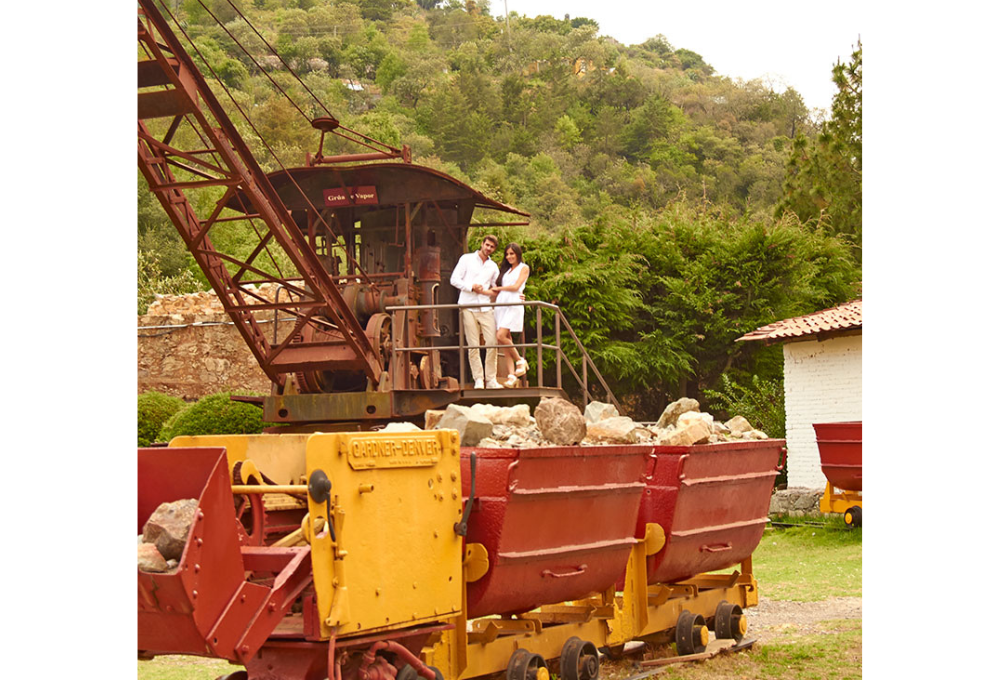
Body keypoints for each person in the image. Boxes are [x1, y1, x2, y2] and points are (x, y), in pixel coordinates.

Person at [450, 235, 502, 389]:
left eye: (492, 247)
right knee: (473, 345)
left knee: (492, 342)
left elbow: (497, 287)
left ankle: (491, 379)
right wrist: (471, 287)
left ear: (494, 249)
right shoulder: (466, 259)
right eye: (487, 245)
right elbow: (454, 279)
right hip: (468, 306)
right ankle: (478, 379)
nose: (488, 248)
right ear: (482, 244)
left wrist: (516, 294)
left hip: (486, 307)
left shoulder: (493, 266)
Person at [491, 242, 530, 388]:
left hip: (513, 304)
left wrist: (499, 288)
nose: (509, 257)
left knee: (500, 336)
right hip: (501, 305)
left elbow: (516, 287)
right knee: (505, 340)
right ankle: (511, 375)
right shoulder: (506, 271)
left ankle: (520, 360)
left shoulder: (523, 268)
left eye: (512, 254)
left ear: (518, 254)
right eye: (507, 254)